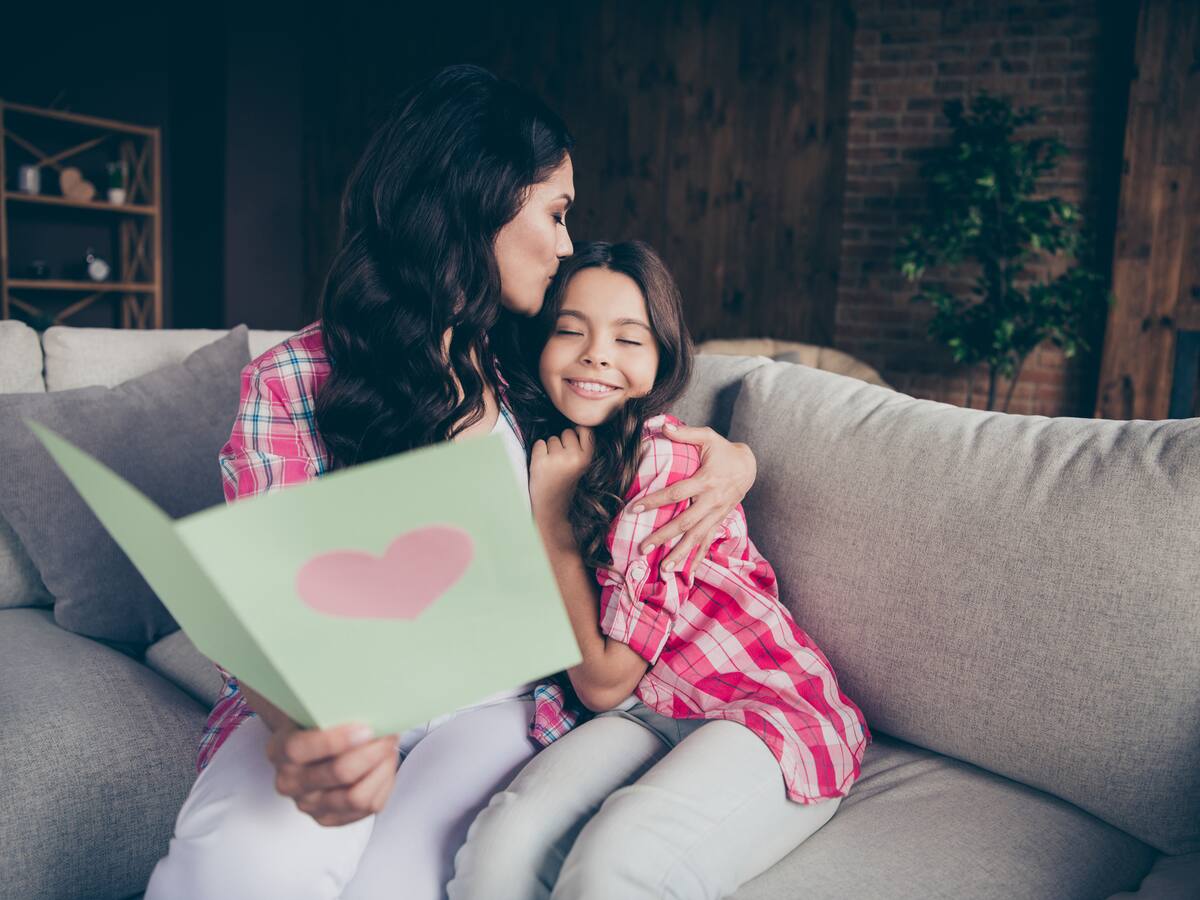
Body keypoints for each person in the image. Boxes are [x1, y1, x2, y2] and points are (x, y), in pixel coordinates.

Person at [146, 67, 758, 900]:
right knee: (242, 871)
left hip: (496, 706)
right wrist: (301, 728)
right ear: (482, 200)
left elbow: (640, 406)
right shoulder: (296, 377)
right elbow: (254, 601)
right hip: (340, 699)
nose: (567, 243)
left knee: (399, 886)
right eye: (557, 212)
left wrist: (737, 457)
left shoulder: (528, 362)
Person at [447, 241, 870, 900]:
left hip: (759, 707)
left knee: (616, 861)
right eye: (569, 331)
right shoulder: (531, 450)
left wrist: (555, 525)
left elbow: (605, 681)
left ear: (661, 360)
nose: (596, 354)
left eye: (628, 338)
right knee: (497, 849)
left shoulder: (663, 464)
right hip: (650, 710)